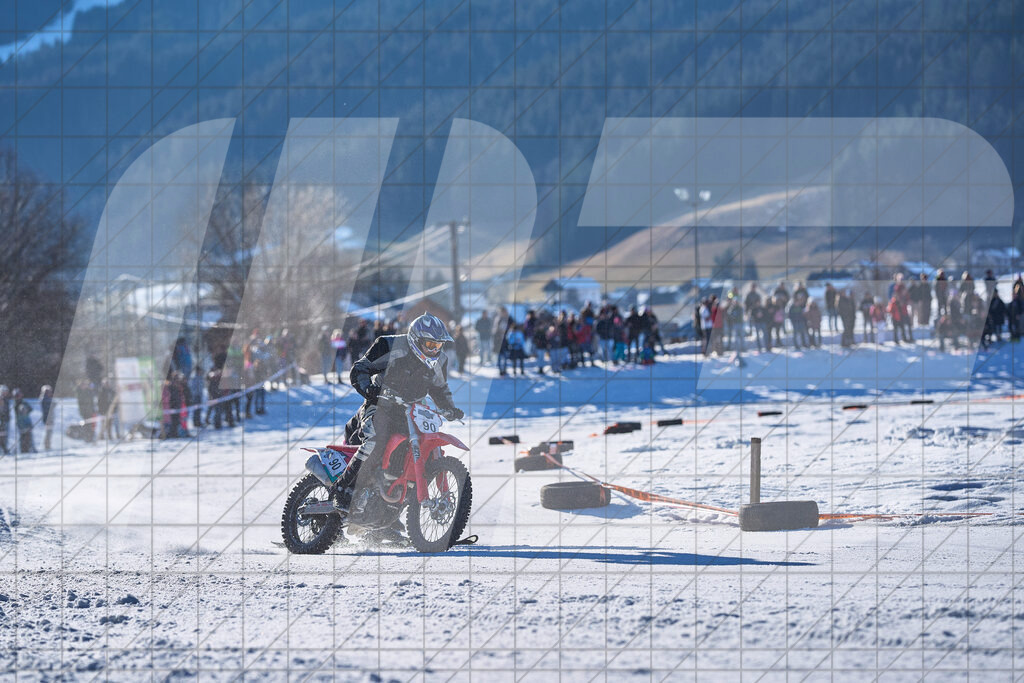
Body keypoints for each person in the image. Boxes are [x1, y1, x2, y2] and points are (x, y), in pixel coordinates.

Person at [340, 314, 464, 516]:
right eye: (430, 344)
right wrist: (368, 389)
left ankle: (389, 514)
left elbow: (439, 389)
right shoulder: (390, 346)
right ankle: (343, 490)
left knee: (413, 456)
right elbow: (360, 368)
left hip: (411, 412)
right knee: (375, 441)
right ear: (416, 339)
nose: (434, 350)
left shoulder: (439, 360)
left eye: (438, 345)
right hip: (380, 405)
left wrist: (449, 408)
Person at [14, 389, 33, 453]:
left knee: (28, 436)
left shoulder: (24, 402)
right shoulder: (16, 403)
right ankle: (23, 450)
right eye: (18, 395)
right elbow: (18, 412)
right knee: (23, 437)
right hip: (21, 422)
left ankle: (28, 449)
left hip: (27, 421)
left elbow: (31, 409)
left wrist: (26, 409)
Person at [39, 385, 54, 450]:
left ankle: (48, 445)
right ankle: (47, 445)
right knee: (48, 433)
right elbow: (47, 408)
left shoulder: (48, 399)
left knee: (49, 432)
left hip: (50, 418)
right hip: (47, 418)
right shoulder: (44, 399)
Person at [0, 386, 10, 454]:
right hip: (2, 420)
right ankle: (4, 449)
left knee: (4, 435)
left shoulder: (6, 399)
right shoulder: (1, 398)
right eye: (5, 391)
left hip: (5, 419)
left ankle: (5, 449)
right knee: (2, 435)